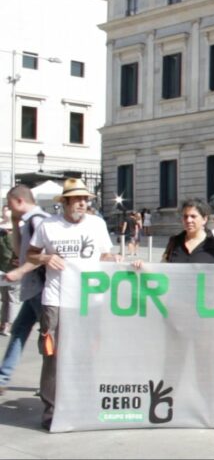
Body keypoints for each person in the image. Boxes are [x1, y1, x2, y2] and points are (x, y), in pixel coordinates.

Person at [27, 179, 118, 429]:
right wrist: (46, 257)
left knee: (89, 352)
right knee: (53, 355)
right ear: (65, 202)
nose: (82, 203)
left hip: (90, 300)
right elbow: (30, 254)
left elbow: (105, 255)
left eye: (85, 199)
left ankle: (83, 404)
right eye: (77, 199)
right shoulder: (48, 225)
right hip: (56, 299)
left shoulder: (97, 224)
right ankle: (51, 411)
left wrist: (116, 260)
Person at [0, 186, 49, 395]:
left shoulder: (39, 220)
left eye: (9, 203)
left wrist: (21, 271)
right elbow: (19, 250)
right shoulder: (27, 222)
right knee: (20, 331)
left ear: (19, 201)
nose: (7, 207)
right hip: (32, 289)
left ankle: (50, 382)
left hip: (39, 287)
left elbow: (43, 254)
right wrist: (13, 222)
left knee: (47, 337)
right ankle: (3, 377)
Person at [161, 199, 214, 269]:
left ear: (204, 219)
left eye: (193, 216)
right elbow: (163, 267)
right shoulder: (174, 242)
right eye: (185, 216)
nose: (188, 220)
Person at [0, 207, 16, 336]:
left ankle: (5, 324)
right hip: (10, 271)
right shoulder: (14, 237)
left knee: (7, 299)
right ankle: (6, 324)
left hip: (7, 271)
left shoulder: (4, 237)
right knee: (9, 299)